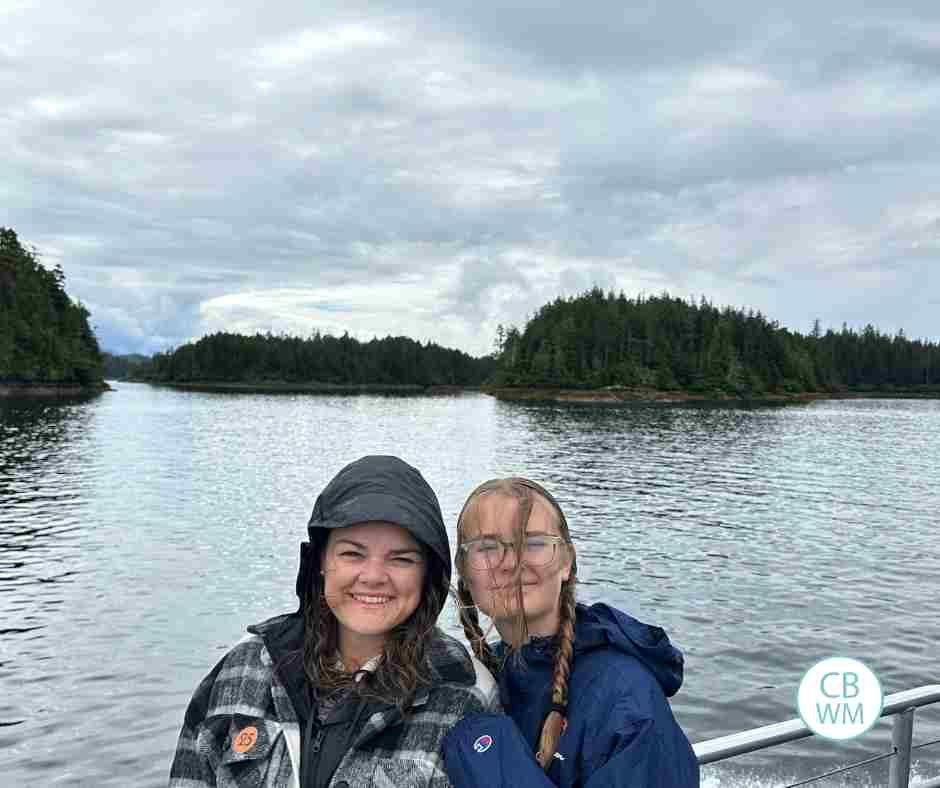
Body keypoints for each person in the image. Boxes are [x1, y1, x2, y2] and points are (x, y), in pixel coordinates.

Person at [169, 455, 499, 788]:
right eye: (352, 554)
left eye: (401, 559)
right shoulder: (244, 665)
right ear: (320, 563)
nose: (372, 577)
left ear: (428, 575)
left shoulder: (467, 693)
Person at [443, 478, 699, 787]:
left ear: (567, 562)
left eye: (534, 543)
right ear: (465, 574)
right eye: (486, 547)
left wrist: (488, 750)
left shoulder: (626, 699)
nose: (510, 562)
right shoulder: (481, 679)